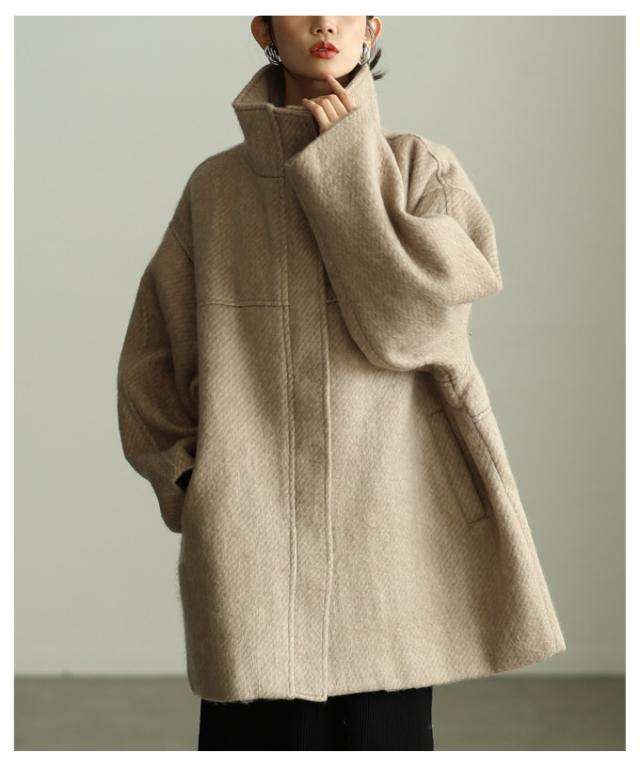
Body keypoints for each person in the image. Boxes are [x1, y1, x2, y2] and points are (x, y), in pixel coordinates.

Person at [117, 14, 566, 752]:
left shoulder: (421, 169)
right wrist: (195, 484)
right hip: (253, 541)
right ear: (263, 27)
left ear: (372, 27)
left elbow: (412, 328)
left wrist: (349, 171)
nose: (326, 19)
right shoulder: (216, 190)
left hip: (396, 532)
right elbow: (151, 361)